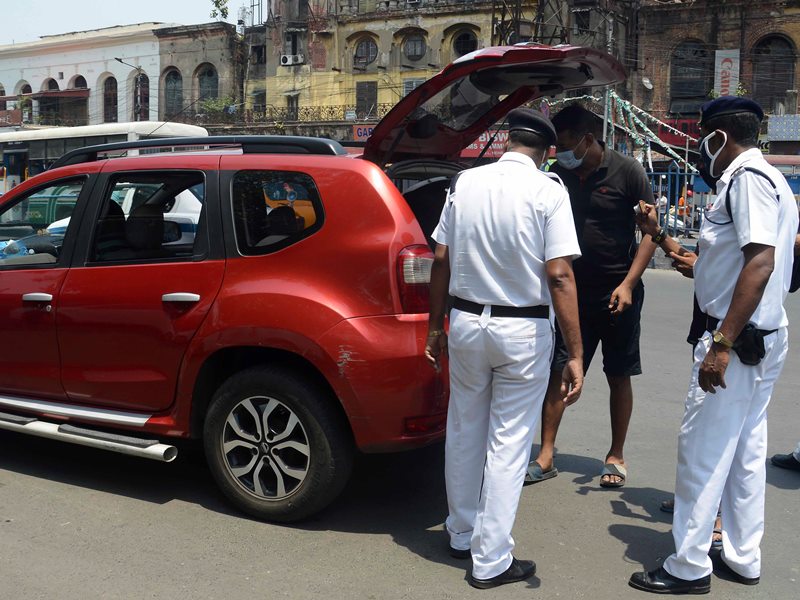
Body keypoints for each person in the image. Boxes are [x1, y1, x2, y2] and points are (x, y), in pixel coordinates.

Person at [629, 96, 798, 594]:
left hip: (737, 340)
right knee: (745, 452)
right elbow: (723, 265)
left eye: (705, 137)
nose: (702, 147)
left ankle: (688, 565)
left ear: (719, 137)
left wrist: (722, 343)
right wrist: (662, 239)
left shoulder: (746, 180)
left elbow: (760, 263)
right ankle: (742, 557)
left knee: (703, 452)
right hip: (761, 336)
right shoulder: (772, 180)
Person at [424, 108, 584, 589]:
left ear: (508, 141)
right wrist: (576, 352)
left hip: (466, 322)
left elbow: (440, 259)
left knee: (464, 429)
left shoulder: (466, 183)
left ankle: (460, 532)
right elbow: (559, 274)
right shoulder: (549, 190)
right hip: (522, 331)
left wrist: (434, 327)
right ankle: (491, 559)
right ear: (546, 152)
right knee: (509, 443)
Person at [526, 103, 657, 488]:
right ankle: (546, 454)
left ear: (588, 139)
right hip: (571, 294)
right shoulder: (557, 176)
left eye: (567, 145)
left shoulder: (627, 171)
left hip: (618, 292)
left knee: (619, 374)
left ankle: (616, 455)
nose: (562, 154)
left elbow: (651, 232)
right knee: (560, 370)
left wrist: (628, 284)